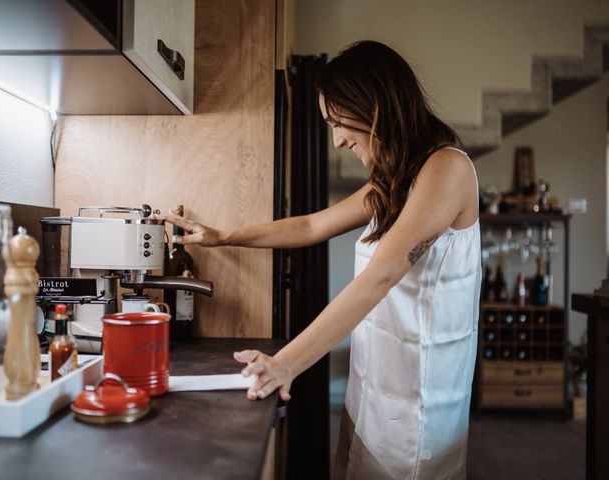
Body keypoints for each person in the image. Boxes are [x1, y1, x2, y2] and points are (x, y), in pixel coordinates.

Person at [157, 40, 480, 480]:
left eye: (338, 122)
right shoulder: (395, 180)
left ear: (374, 104)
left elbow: (380, 276)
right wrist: (222, 236)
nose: (337, 140)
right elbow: (311, 226)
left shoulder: (446, 169)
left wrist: (287, 362)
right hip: (373, 390)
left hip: (419, 404)